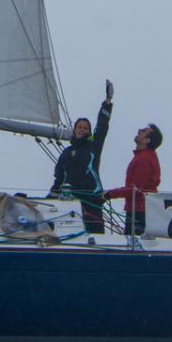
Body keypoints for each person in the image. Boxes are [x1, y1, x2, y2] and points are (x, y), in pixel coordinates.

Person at [48, 80, 114, 231]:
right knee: (69, 233)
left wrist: (107, 102)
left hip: (91, 200)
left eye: (86, 128)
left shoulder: (93, 147)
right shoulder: (66, 152)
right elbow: (59, 177)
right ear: (74, 130)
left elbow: (102, 127)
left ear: (89, 132)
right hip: (69, 200)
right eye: (80, 127)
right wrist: (51, 197)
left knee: (95, 235)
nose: (82, 129)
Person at [105, 124, 163, 237]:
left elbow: (135, 189)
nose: (139, 130)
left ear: (147, 140)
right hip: (142, 208)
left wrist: (109, 194)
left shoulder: (143, 159)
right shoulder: (146, 156)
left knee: (134, 243)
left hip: (139, 210)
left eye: (144, 131)